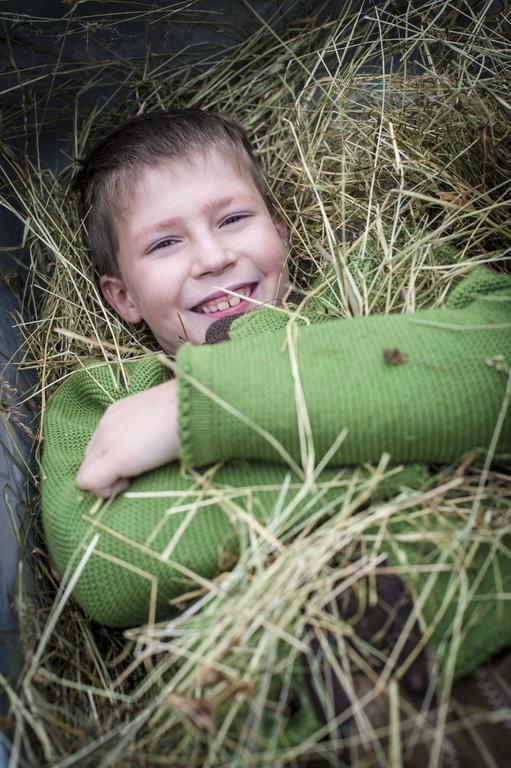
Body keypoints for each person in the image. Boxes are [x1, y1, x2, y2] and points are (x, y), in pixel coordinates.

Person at [42, 109, 511, 747]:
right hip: (330, 721)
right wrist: (413, 438)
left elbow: (497, 358)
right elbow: (108, 566)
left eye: (233, 218)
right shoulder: (108, 399)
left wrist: (209, 408)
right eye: (164, 243)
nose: (212, 256)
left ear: (281, 232)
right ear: (122, 297)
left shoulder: (387, 278)